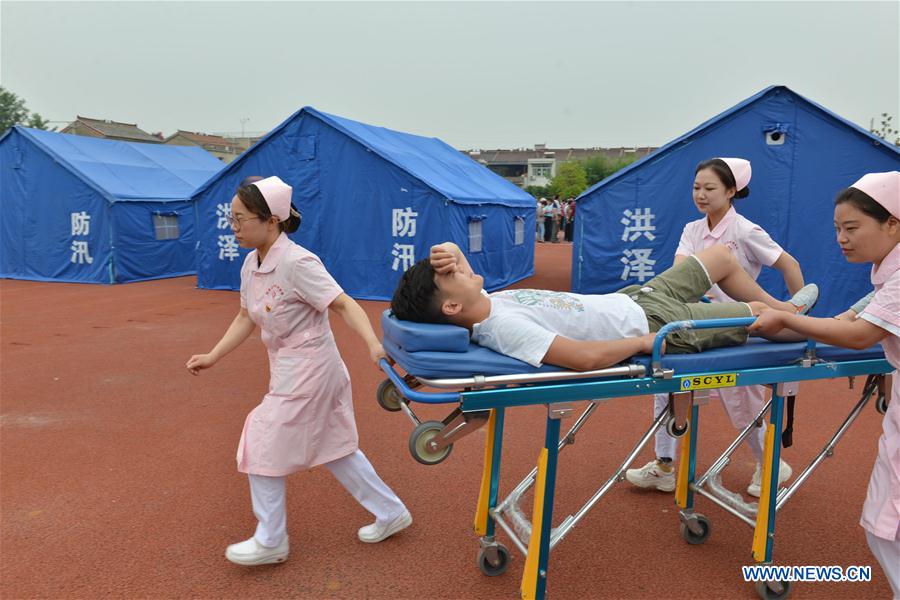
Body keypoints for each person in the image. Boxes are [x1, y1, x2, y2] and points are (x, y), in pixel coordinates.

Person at [186, 176, 410, 567]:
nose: (233, 227)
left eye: (240, 219)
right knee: (337, 448)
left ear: (271, 221)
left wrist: (373, 344)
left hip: (312, 370)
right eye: (231, 219)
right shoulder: (251, 263)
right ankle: (391, 512)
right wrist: (214, 355)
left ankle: (271, 539)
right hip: (290, 367)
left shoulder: (298, 262)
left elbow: (343, 304)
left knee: (260, 439)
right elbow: (245, 316)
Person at [749, 171, 899, 596]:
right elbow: (852, 318)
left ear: (892, 224)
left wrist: (785, 317)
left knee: (886, 526)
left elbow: (859, 334)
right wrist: (788, 314)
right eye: (836, 229)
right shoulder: (886, 273)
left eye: (851, 228)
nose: (841, 239)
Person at [626, 158, 805, 497]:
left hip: (738, 326)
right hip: (693, 323)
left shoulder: (745, 231)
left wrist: (799, 313)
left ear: (731, 191)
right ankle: (664, 465)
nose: (701, 194)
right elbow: (680, 272)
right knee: (667, 389)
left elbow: (789, 264)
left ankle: (770, 462)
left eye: (709, 188)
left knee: (742, 406)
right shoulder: (692, 230)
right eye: (696, 187)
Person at [389, 240, 818, 372]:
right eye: (452, 275)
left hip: (636, 297)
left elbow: (455, 257)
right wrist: (645, 342)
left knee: (721, 256)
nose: (461, 269)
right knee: (757, 316)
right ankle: (812, 323)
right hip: (657, 323)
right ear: (451, 307)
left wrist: (445, 252)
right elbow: (583, 358)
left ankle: (788, 308)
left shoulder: (482, 302)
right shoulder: (502, 329)